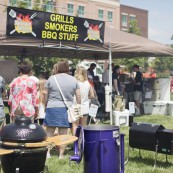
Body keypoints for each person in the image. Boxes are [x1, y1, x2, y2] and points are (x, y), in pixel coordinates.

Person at [43, 61, 81, 158]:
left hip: (52, 107)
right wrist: (78, 105)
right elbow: (78, 95)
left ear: (58, 68)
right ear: (67, 69)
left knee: (49, 131)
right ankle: (61, 154)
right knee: (64, 132)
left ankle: (47, 153)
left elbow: (44, 93)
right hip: (66, 108)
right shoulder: (73, 80)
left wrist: (44, 105)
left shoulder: (51, 79)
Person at [73, 66, 94, 134]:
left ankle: (76, 142)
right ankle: (82, 142)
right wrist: (86, 98)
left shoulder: (74, 82)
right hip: (85, 106)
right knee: (84, 126)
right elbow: (92, 95)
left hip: (76, 105)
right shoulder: (88, 83)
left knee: (75, 125)